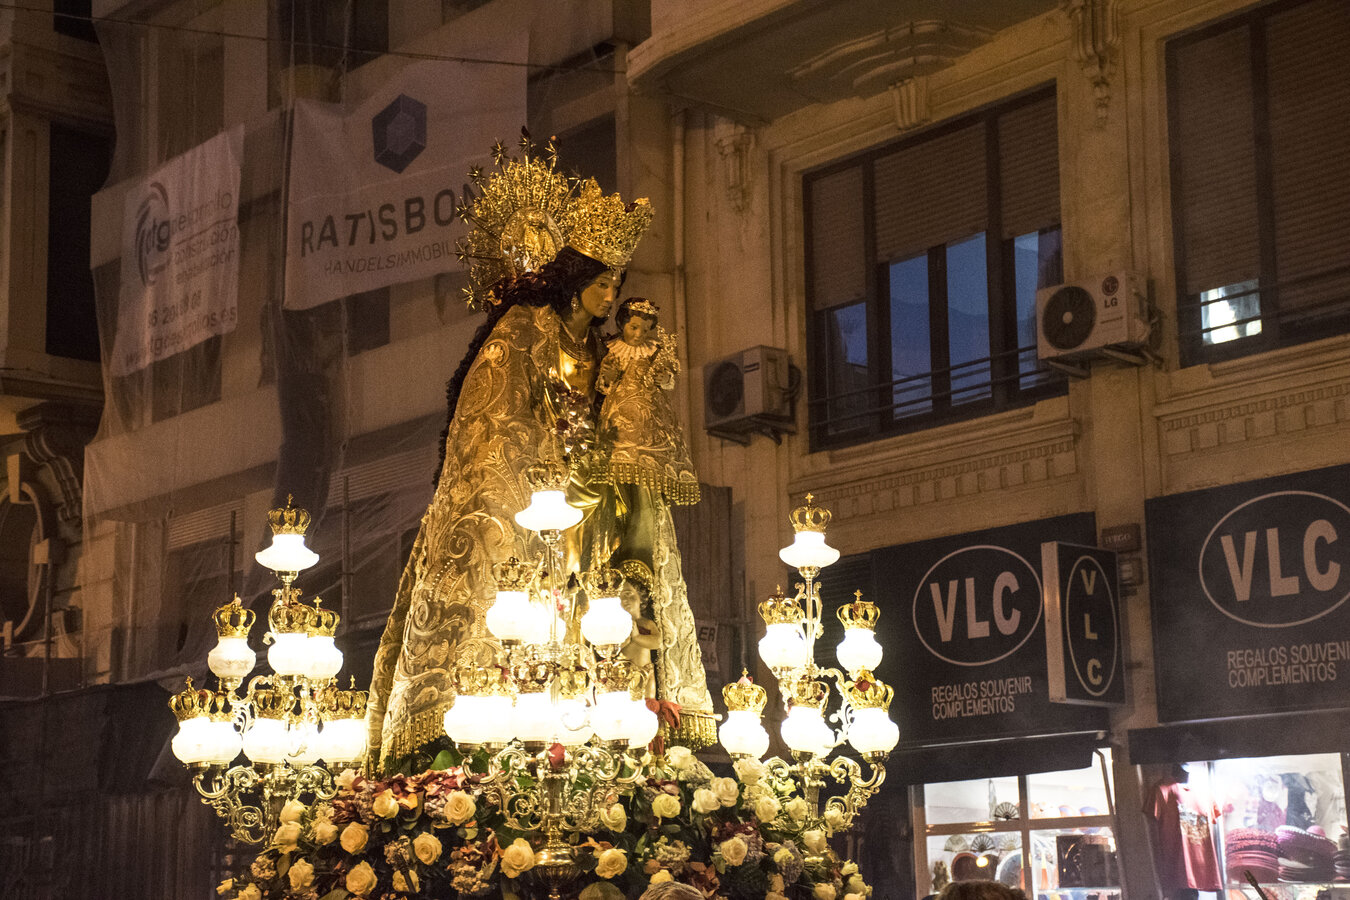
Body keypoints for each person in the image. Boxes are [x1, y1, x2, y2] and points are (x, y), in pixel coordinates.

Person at [365, 169, 713, 770]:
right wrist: (556, 470)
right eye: (602, 283)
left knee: (603, 611)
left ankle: (610, 721)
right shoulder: (522, 333)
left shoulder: (605, 350)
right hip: (538, 503)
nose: (611, 297)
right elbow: (492, 427)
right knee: (534, 617)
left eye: (617, 284)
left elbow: (628, 418)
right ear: (574, 281)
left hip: (598, 503)